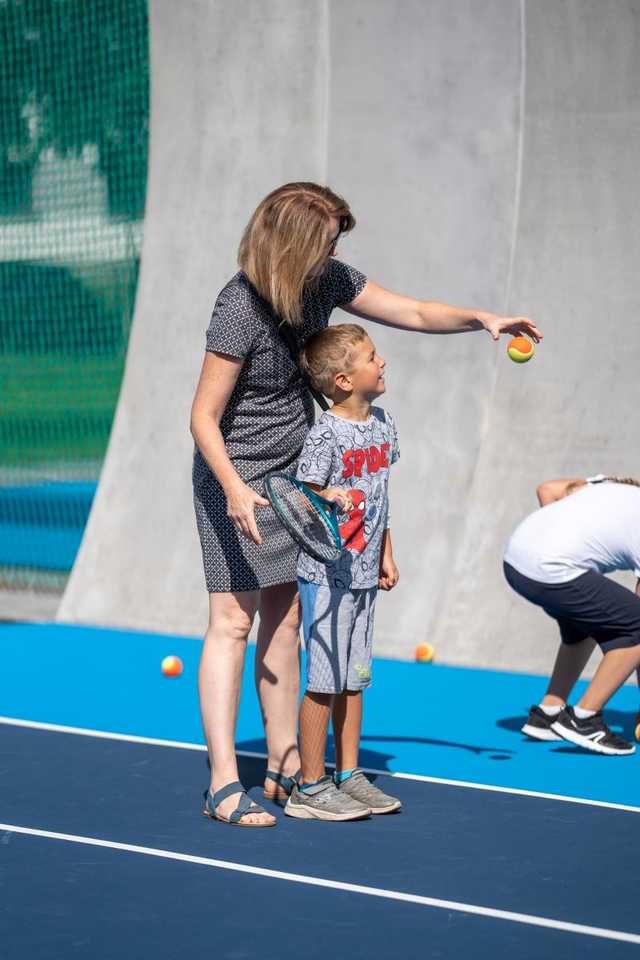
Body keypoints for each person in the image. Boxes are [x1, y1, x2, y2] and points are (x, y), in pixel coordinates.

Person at [190, 181, 542, 827]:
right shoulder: (237, 306)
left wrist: (482, 319)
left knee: (289, 622)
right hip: (234, 475)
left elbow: (411, 311)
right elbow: (203, 417)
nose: (333, 252)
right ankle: (221, 783)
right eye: (325, 241)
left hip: (300, 477)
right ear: (293, 243)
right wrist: (236, 488)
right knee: (233, 624)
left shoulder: (324, 283)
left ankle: (285, 763)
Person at [283, 324, 400, 821]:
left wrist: (386, 554)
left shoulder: (385, 425)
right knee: (324, 680)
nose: (382, 362)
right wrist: (326, 496)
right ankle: (308, 787)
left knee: (354, 678)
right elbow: (300, 499)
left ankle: (348, 775)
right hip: (326, 576)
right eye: (372, 357)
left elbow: (381, 497)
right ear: (344, 380)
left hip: (364, 573)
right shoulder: (324, 433)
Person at [503, 475, 640, 755]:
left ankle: (548, 713)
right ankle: (584, 719)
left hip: (516, 559)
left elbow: (547, 489)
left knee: (585, 624)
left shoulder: (607, 486)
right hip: (551, 568)